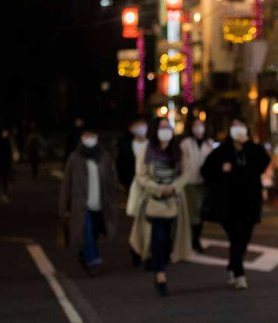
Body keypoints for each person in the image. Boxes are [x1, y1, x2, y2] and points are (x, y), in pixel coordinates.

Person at [201, 118, 271, 290]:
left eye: (240, 125)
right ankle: (239, 273)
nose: (237, 129)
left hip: (250, 202)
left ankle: (233, 266)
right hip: (228, 203)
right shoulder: (222, 151)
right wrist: (221, 170)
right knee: (236, 236)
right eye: (234, 126)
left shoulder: (254, 149)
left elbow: (263, 162)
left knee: (244, 237)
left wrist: (247, 145)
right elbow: (206, 170)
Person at [129, 118, 192, 296]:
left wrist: (173, 187)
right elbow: (141, 176)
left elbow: (186, 172)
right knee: (157, 238)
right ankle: (160, 274)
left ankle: (161, 264)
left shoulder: (177, 151)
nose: (165, 131)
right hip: (154, 201)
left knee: (169, 239)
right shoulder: (147, 151)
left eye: (168, 127)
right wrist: (158, 189)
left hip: (174, 201)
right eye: (162, 127)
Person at [58, 124, 120, 277]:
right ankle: (93, 260)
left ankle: (84, 254)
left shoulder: (103, 156)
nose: (90, 139)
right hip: (81, 205)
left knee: (96, 231)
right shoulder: (74, 158)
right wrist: (64, 207)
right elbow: (67, 183)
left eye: (92, 136)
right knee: (87, 232)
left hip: (101, 203)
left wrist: (114, 195)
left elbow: (112, 178)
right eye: (86, 136)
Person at [118, 117, 150, 266]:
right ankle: (136, 250)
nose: (141, 127)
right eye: (138, 125)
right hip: (134, 187)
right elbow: (121, 167)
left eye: (143, 124)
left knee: (149, 221)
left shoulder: (152, 145)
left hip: (151, 188)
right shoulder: (126, 145)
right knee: (137, 220)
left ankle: (147, 252)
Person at [180, 116, 214, 252]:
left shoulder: (209, 143)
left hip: (204, 182)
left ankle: (196, 239)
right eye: (196, 125)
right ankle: (193, 240)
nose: (199, 128)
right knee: (193, 213)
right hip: (190, 182)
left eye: (201, 125)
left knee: (201, 212)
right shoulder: (185, 143)